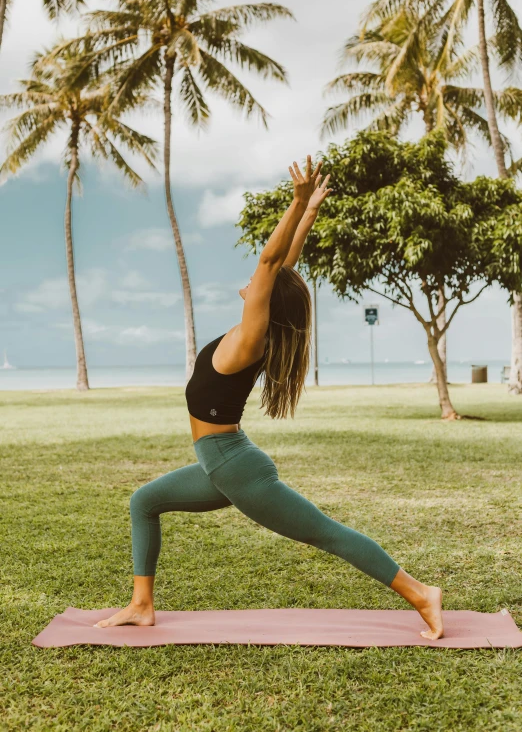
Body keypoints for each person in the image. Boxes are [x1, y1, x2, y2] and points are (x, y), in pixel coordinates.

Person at [95, 155, 443, 640]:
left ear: (265, 298)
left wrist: (296, 201)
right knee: (144, 502)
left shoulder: (250, 340)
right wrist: (309, 216)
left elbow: (269, 264)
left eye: (263, 282)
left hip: (233, 467)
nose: (258, 278)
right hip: (223, 463)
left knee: (326, 533)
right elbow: (281, 267)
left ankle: (420, 592)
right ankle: (141, 604)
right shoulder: (253, 330)